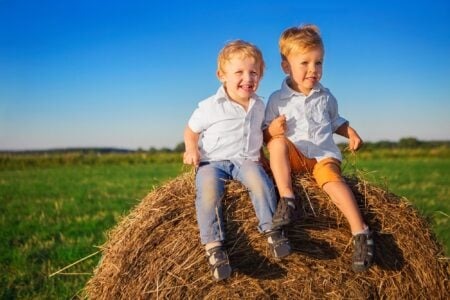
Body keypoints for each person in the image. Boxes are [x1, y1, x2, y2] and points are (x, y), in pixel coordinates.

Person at [264, 24, 374, 272]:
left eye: (319, 63)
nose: (313, 70)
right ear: (286, 66)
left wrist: (350, 131)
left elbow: (335, 121)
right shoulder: (275, 100)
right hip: (295, 156)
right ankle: (288, 198)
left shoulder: (326, 96)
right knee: (277, 144)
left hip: (323, 156)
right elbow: (264, 134)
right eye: (305, 63)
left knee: (333, 182)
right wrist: (271, 131)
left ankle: (360, 231)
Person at [183, 40, 292, 281]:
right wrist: (191, 149)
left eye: (253, 72)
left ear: (260, 76)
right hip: (212, 162)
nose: (247, 78)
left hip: (245, 160)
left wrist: (264, 154)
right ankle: (214, 247)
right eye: (239, 72)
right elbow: (191, 131)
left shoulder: (259, 105)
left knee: (261, 183)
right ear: (221, 75)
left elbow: (258, 136)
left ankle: (272, 230)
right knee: (209, 193)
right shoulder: (209, 106)